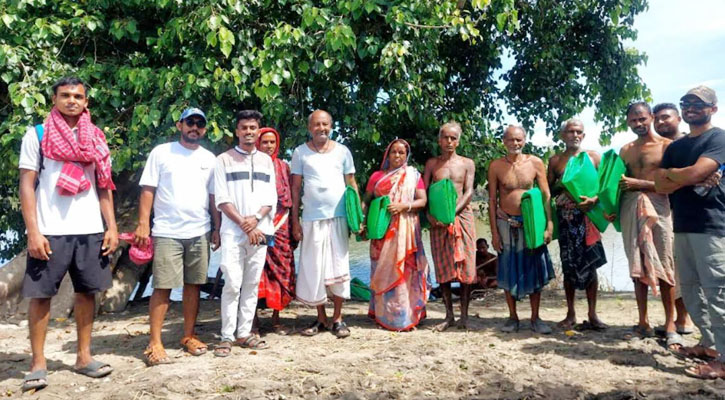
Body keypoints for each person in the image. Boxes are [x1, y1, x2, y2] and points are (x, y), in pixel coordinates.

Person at [18, 77, 118, 391]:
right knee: (41, 295)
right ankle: (38, 363)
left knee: (87, 292)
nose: (72, 100)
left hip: (89, 228)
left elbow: (104, 185)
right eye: (65, 95)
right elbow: (26, 185)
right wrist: (34, 232)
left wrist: (111, 227)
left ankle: (83, 357)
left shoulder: (97, 138)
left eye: (78, 96)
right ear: (55, 99)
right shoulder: (38, 134)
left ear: (86, 102)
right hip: (50, 229)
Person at [134, 107, 220, 365]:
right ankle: (155, 342)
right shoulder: (161, 153)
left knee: (193, 285)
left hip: (200, 230)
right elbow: (148, 189)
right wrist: (142, 225)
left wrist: (216, 227)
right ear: (179, 125)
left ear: (204, 129)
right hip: (167, 231)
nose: (195, 127)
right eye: (190, 122)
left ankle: (188, 336)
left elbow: (214, 196)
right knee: (163, 286)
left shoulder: (209, 158)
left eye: (200, 124)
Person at [655, 86, 725, 379]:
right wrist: (689, 175)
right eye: (686, 103)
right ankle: (709, 345)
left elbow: (688, 175)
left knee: (717, 293)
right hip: (681, 226)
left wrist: (678, 176)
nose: (691, 107)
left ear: (713, 109)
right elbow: (659, 184)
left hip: (712, 227)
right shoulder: (675, 147)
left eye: (699, 103)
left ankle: (723, 361)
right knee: (693, 293)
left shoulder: (718, 138)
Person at [212, 110, 277, 356]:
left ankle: (243, 333)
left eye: (253, 128)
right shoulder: (223, 160)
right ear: (236, 131)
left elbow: (271, 198)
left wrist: (256, 220)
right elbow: (222, 199)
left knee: (251, 284)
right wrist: (243, 223)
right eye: (244, 128)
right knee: (232, 282)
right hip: (233, 231)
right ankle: (226, 335)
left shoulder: (266, 161)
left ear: (258, 131)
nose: (249, 132)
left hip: (260, 230)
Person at [291, 110, 360, 338]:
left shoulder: (342, 151)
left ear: (331, 126)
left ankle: (338, 318)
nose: (321, 128)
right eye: (317, 124)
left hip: (339, 218)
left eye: (325, 124)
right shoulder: (300, 153)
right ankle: (321, 318)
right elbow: (295, 189)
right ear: (309, 128)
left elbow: (351, 185)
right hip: (311, 218)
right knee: (315, 268)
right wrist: (295, 222)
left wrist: (356, 218)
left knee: (339, 266)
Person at [618, 102, 681, 348]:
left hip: (660, 207)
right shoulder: (625, 150)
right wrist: (609, 209)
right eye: (633, 121)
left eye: (642, 119)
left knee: (665, 264)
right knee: (637, 265)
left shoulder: (668, 147)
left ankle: (670, 324)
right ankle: (643, 322)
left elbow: (675, 182)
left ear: (651, 117)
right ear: (628, 122)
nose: (638, 124)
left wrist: (641, 184)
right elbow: (617, 185)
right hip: (630, 207)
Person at [488, 125, 555, 334]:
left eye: (518, 139)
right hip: (506, 223)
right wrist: (494, 233)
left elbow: (546, 195)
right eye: (510, 140)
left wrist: (549, 225)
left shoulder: (535, 163)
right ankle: (513, 317)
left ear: (524, 140)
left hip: (531, 224)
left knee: (535, 268)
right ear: (503, 141)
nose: (515, 143)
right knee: (508, 268)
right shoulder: (496, 166)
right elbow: (492, 200)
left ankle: (535, 318)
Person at [547, 118, 608, 331]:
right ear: (563, 135)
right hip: (566, 218)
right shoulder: (556, 161)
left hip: (588, 217)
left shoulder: (593, 157)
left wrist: (594, 201)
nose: (575, 135)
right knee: (568, 265)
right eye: (570, 132)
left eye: (579, 132)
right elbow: (549, 191)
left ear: (583, 135)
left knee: (591, 265)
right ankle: (571, 312)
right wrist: (563, 185)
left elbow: (604, 186)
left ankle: (592, 313)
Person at [362, 139, 429, 331]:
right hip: (381, 231)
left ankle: (405, 317)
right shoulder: (376, 177)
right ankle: (384, 316)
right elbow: (366, 201)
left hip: (406, 231)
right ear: (387, 154)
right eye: (394, 152)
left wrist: (403, 206)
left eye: (401, 153)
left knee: (406, 272)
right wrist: (363, 223)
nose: (397, 156)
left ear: (406, 156)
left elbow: (422, 201)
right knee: (382, 270)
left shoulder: (413, 176)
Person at [423, 121, 477, 331]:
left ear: (458, 141)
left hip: (462, 217)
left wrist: (452, 213)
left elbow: (469, 191)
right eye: (445, 137)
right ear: (439, 140)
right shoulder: (432, 164)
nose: (449, 141)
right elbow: (425, 192)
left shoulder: (467, 163)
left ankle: (464, 315)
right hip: (438, 222)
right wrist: (430, 215)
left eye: (453, 138)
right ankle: (448, 316)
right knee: (443, 266)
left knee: (466, 266)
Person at [653, 103, 694, 335]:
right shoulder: (665, 148)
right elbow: (663, 182)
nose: (661, 122)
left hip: (693, 214)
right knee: (672, 267)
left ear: (678, 118)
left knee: (684, 268)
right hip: (669, 212)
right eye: (656, 119)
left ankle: (685, 319)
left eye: (666, 117)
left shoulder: (689, 144)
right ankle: (679, 319)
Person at [254, 127, 297, 335]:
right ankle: (252, 320)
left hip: (281, 226)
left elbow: (290, 198)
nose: (269, 146)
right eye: (265, 142)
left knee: (281, 270)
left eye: (272, 142)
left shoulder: (284, 167)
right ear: (257, 144)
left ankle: (276, 318)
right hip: (260, 226)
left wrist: (294, 227)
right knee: (257, 269)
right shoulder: (251, 165)